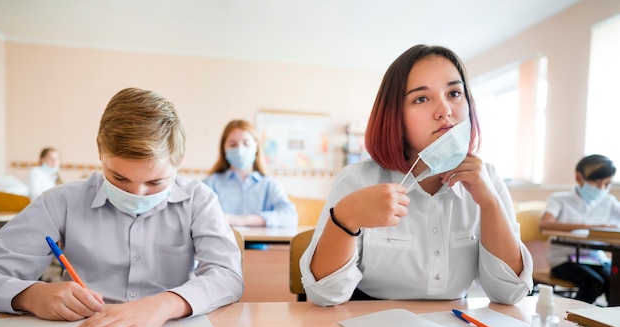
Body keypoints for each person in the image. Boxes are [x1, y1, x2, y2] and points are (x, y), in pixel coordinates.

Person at [0, 87, 243, 327]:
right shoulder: (60, 202)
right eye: (119, 178)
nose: (137, 194)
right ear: (100, 154)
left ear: (178, 161)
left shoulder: (199, 200)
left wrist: (163, 306)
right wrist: (30, 296)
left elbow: (227, 276)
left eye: (155, 182)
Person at [299, 44, 533, 306]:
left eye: (454, 93)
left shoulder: (487, 178)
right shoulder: (356, 179)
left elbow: (510, 293)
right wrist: (345, 217)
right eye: (421, 98)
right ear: (394, 116)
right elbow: (324, 294)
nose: (445, 110)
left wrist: (490, 204)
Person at [540, 154, 619, 304]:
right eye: (597, 182)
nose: (602, 188)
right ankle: (572, 322)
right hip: (563, 259)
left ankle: (610, 324)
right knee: (594, 283)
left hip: (595, 258)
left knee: (615, 282)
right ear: (579, 178)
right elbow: (545, 224)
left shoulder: (609, 202)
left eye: (607, 184)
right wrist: (591, 227)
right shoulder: (559, 199)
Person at [203, 119, 298, 228]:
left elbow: (290, 217)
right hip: (218, 244)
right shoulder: (210, 183)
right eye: (233, 144)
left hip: (259, 244)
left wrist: (242, 220)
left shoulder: (269, 185)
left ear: (256, 146)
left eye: (246, 143)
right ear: (224, 148)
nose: (239, 149)